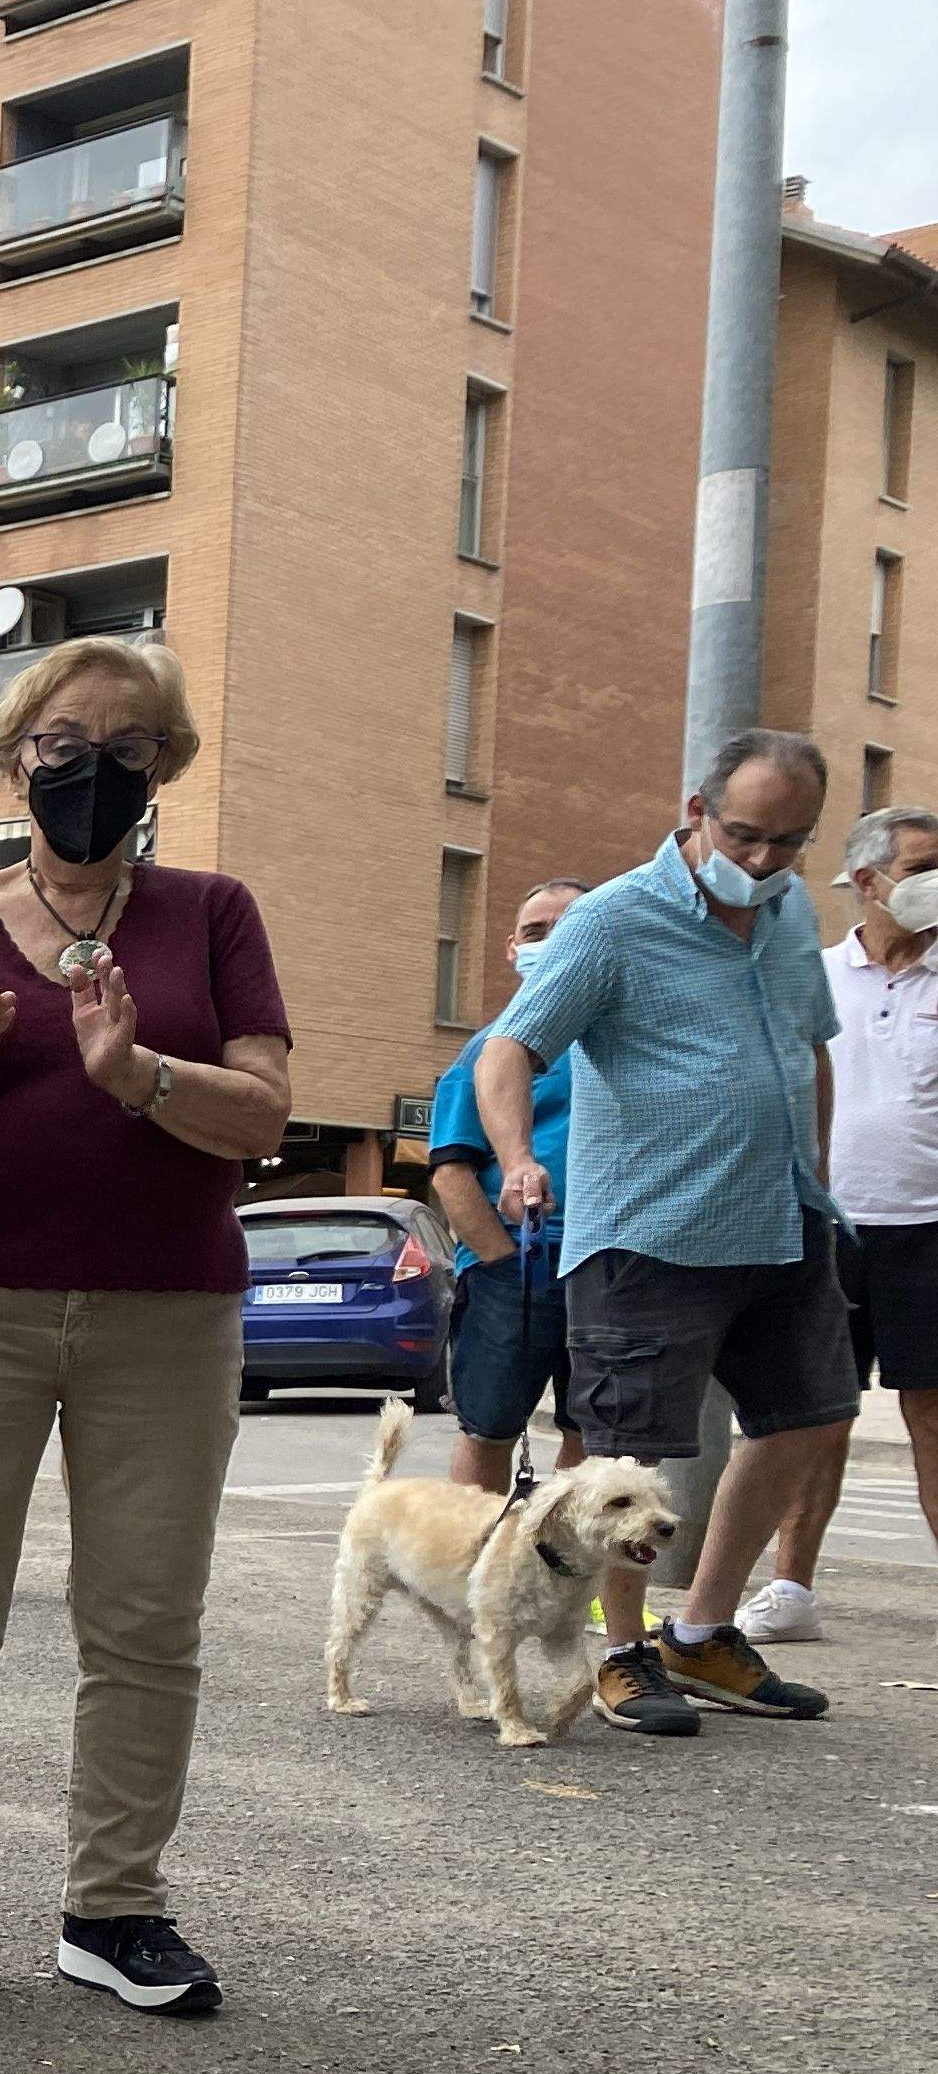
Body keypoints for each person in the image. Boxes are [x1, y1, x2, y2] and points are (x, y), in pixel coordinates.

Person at [0, 636, 291, 2023]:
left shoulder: (212, 913)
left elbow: (265, 1111)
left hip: (169, 1316)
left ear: (166, 767)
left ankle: (116, 1909)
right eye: (62, 741)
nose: (93, 767)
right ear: (13, 753)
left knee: (146, 1623)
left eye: (131, 745)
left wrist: (139, 1074)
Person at [477, 729, 849, 1735]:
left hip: (780, 1217)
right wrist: (517, 1157)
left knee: (809, 1420)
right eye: (746, 834)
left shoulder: (790, 911)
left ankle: (702, 1633)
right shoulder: (612, 922)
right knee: (625, 1460)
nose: (765, 859)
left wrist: (816, 1169)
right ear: (697, 812)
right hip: (649, 1231)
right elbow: (509, 1049)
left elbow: (809, 1046)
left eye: (790, 841)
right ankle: (622, 1653)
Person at [743, 802, 938, 1632]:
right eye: (923, 867)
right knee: (817, 1411)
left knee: (931, 1411)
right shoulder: (812, 975)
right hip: (824, 1227)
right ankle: (791, 1589)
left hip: (930, 1231)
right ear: (866, 881)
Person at [423, 879, 593, 1493]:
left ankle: (577, 1582)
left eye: (567, 927)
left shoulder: (625, 1046)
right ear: (510, 948)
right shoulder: (484, 1052)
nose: (548, 942)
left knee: (596, 1436)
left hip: (608, 1266)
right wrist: (497, 1259)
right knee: (488, 1428)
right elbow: (449, 1168)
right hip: (515, 1269)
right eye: (534, 932)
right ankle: (476, 1574)